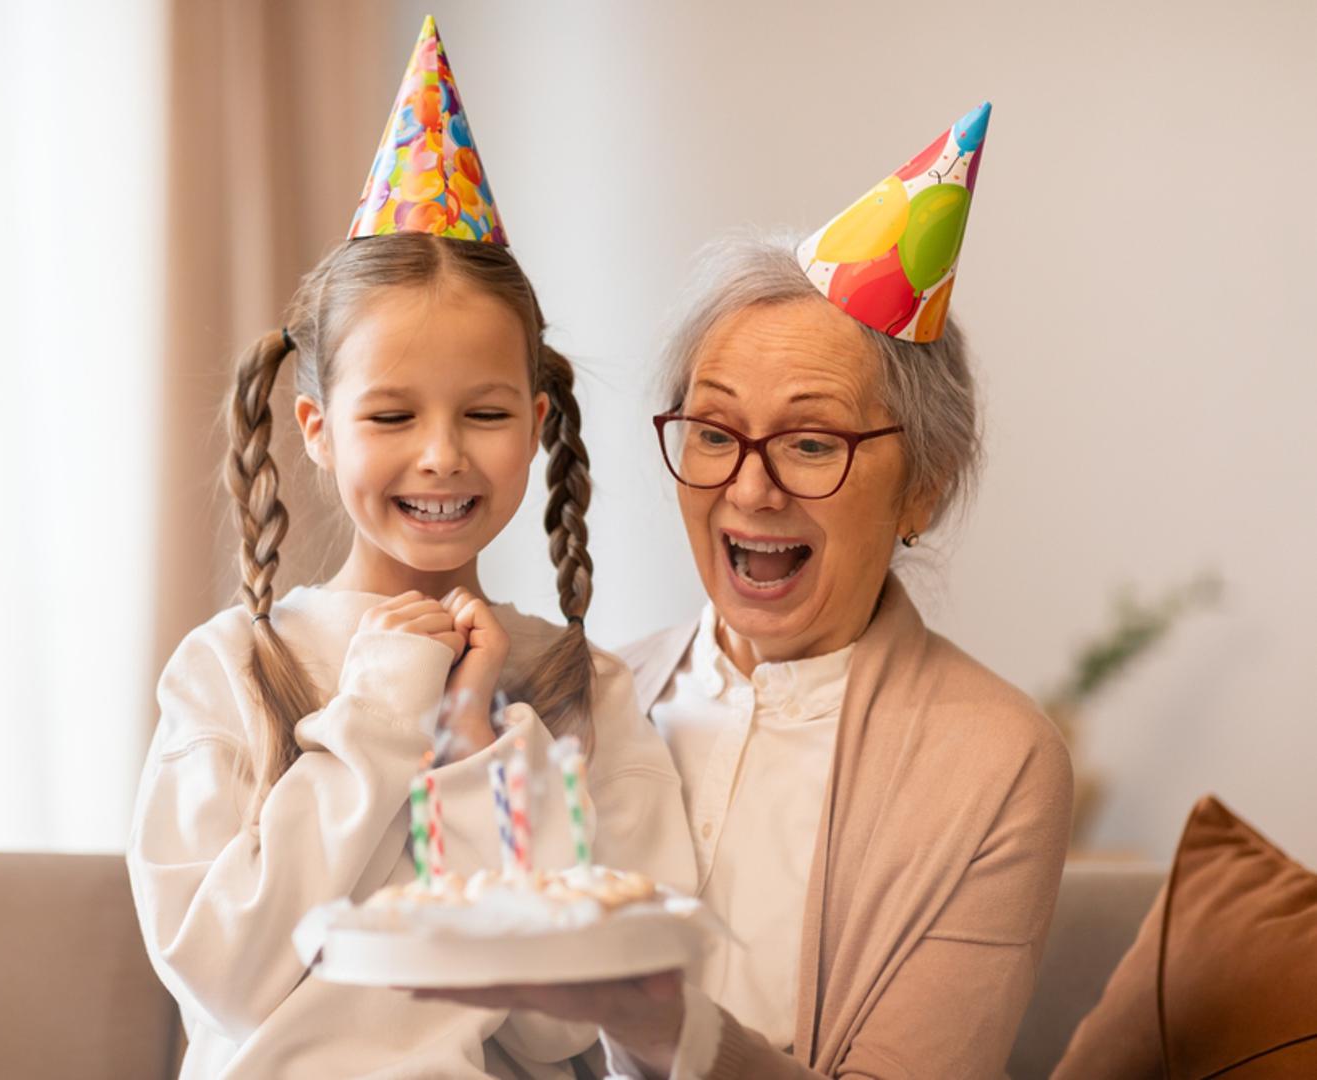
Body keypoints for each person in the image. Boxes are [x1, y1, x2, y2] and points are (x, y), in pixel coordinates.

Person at [416, 104, 1074, 1079]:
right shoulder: (574, 691)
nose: (749, 488)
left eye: (812, 443)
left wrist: (658, 1024)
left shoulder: (995, 759)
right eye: (714, 434)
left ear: (922, 486)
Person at [126, 18, 694, 1079]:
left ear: (534, 427)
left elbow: (566, 1026)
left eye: (482, 415)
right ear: (317, 429)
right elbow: (225, 974)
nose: (439, 458)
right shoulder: (232, 672)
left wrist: (472, 734)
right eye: (390, 416)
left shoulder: (586, 690)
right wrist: (389, 712)